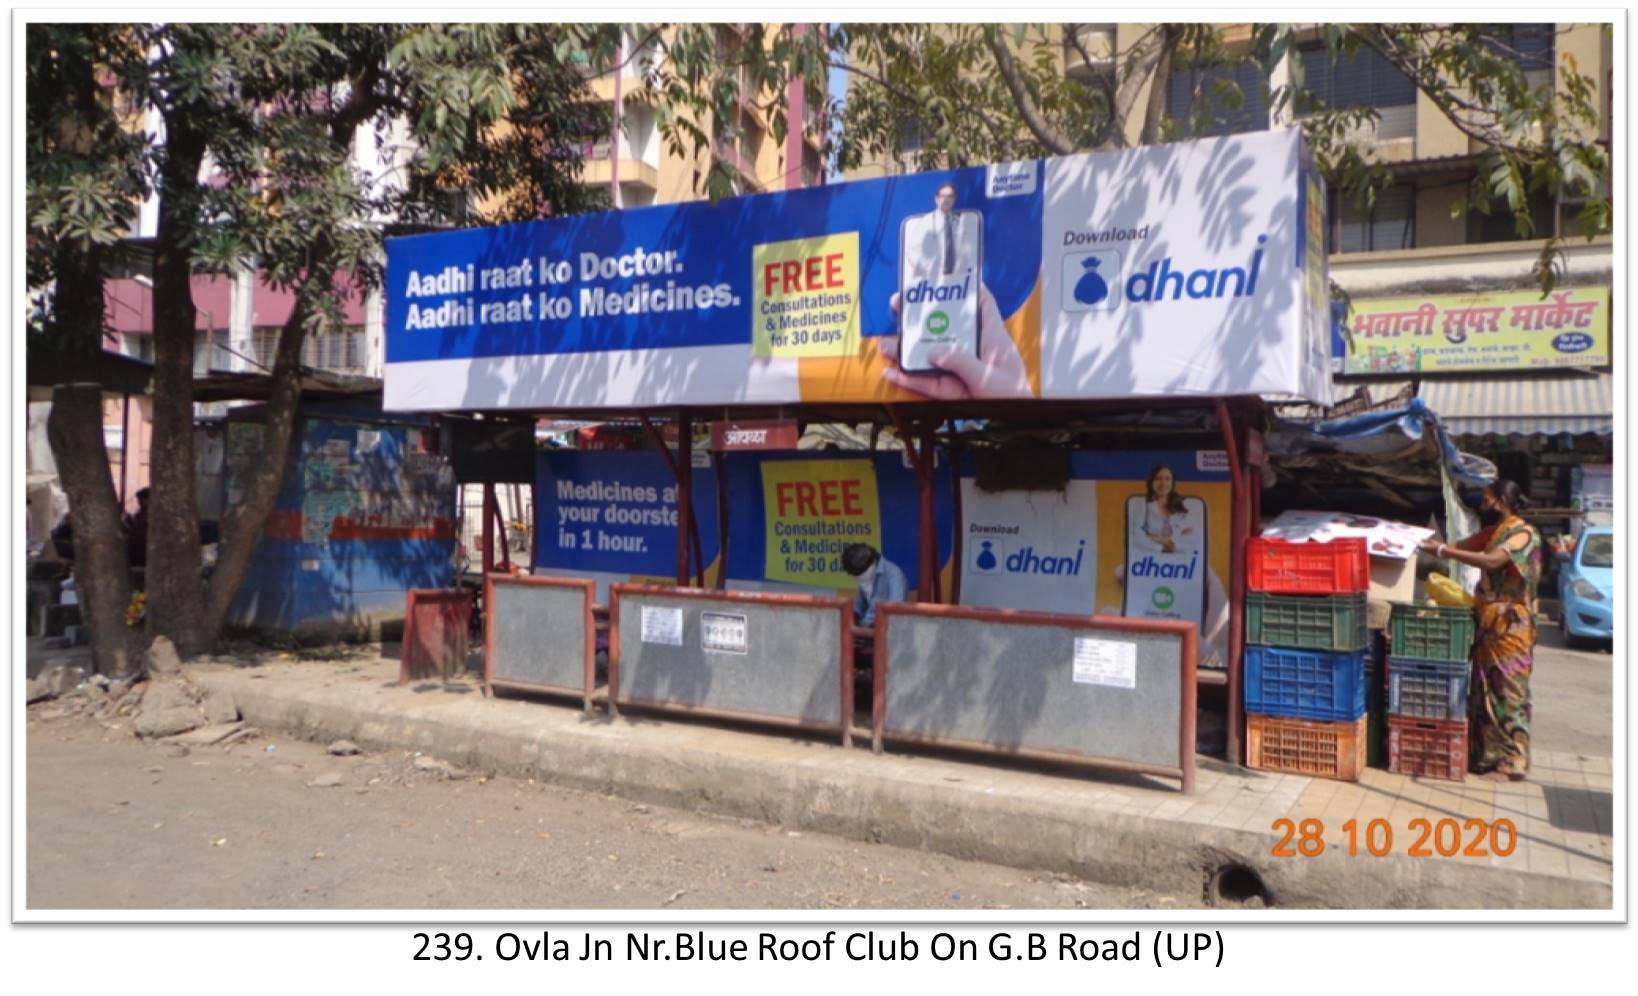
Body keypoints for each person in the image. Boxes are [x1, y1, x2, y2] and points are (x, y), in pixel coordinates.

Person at [1418, 479, 1543, 782]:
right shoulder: (1496, 532)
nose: (1482, 505)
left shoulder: (1523, 533)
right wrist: (1424, 544)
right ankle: (1489, 757)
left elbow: (1492, 560)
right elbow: (1466, 546)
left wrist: (1445, 552)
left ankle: (1513, 762)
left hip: (1511, 626)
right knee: (1485, 690)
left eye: (1486, 499)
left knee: (1508, 692)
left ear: (1501, 499)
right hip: (1490, 623)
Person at [1131, 464, 1199, 554]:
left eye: (1167, 479)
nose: (1163, 483)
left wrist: (1156, 538)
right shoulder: (1142, 505)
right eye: (1158, 479)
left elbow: (1191, 540)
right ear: (1151, 482)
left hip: (1179, 559)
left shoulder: (1183, 505)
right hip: (1149, 558)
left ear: (1172, 482)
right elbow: (1135, 537)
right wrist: (1160, 548)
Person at [841, 543, 907, 627]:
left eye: (859, 575)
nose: (857, 579)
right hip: (864, 629)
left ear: (872, 564)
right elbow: (858, 607)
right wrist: (852, 618)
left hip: (885, 631)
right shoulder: (865, 575)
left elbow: (895, 613)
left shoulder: (894, 576)